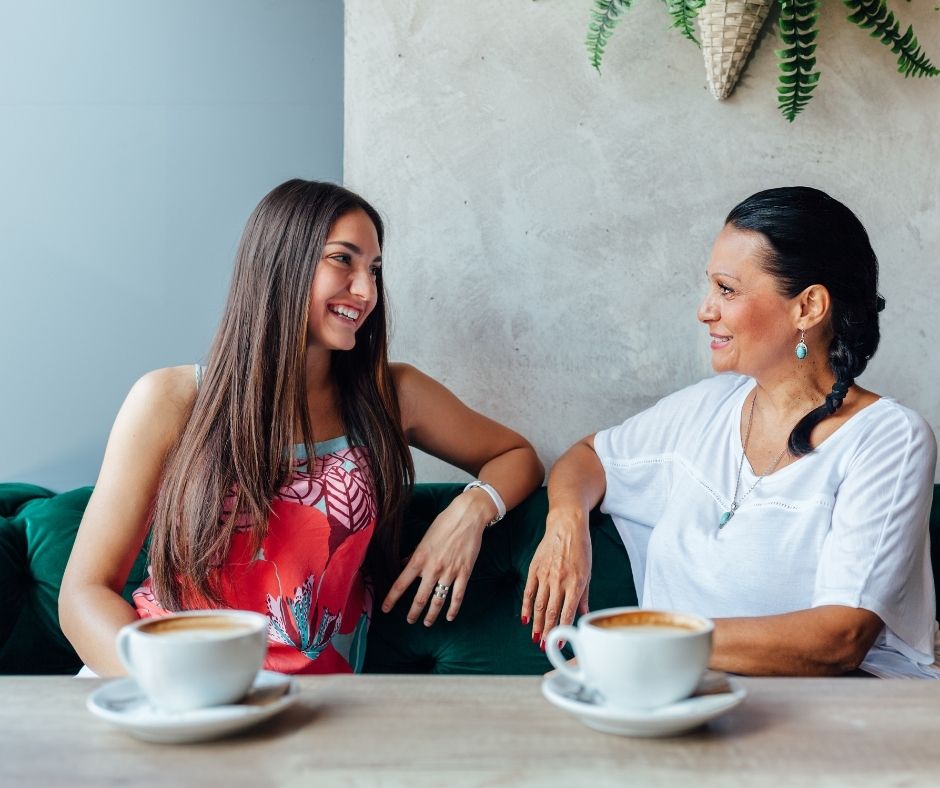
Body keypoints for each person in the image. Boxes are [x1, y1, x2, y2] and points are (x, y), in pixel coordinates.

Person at [60, 179, 543, 677]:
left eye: (374, 270)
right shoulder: (170, 400)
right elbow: (84, 593)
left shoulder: (392, 395)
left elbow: (516, 455)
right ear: (281, 263)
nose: (367, 291)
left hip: (313, 705)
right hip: (158, 686)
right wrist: (169, 690)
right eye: (343, 260)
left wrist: (468, 511)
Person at [524, 186, 938, 677]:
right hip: (675, 703)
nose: (705, 310)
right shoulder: (707, 408)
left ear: (807, 307)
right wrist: (566, 525)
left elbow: (839, 638)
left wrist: (642, 640)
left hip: (826, 720)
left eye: (727, 289)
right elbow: (588, 455)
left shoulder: (888, 438)